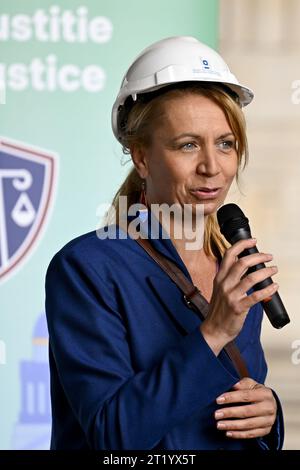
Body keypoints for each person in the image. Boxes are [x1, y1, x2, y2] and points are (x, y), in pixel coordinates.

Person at [45, 36, 284, 450]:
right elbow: (112, 434)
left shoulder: (233, 267)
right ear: (141, 157)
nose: (212, 166)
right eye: (188, 145)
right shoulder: (86, 267)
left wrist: (268, 414)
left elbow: (233, 401)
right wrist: (212, 332)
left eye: (225, 144)